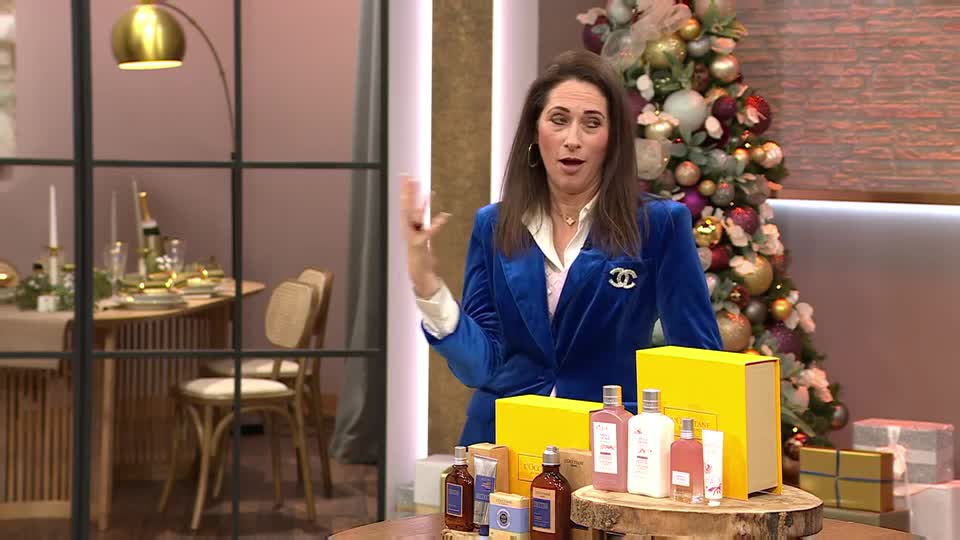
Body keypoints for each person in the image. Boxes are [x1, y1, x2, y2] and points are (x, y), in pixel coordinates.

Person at [402, 49, 722, 446]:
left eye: (592, 124)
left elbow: (698, 359)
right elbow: (480, 367)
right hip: (503, 445)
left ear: (612, 141)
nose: (573, 139)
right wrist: (427, 286)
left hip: (608, 454)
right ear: (536, 134)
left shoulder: (658, 225)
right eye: (559, 120)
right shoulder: (494, 224)